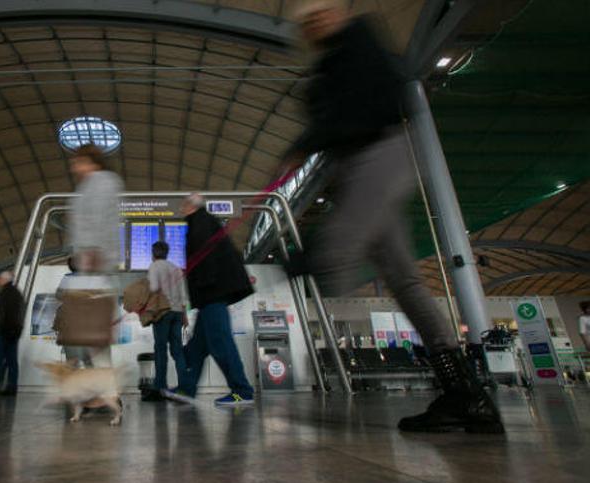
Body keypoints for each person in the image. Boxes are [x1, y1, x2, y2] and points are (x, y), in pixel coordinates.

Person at [282, 0, 503, 433]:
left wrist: (306, 141)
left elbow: (365, 106)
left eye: (324, 12)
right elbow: (334, 121)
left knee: (334, 251)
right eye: (309, 21)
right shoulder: (327, 68)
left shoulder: (359, 42)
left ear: (340, 12)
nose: (320, 22)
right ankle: (465, 395)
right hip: (356, 169)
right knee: (404, 282)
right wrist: (310, 139)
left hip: (377, 159)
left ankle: (314, 259)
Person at [166, 193, 255, 407]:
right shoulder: (203, 221)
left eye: (183, 206)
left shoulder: (201, 221)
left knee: (221, 343)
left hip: (212, 293)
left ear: (190, 206)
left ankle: (242, 391)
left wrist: (204, 287)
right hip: (209, 294)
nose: (181, 210)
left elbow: (204, 255)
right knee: (197, 347)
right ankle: (187, 390)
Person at [65, 144, 124, 367]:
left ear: (91, 161)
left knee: (93, 334)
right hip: (91, 269)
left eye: (77, 162)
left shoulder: (101, 183)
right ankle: (102, 390)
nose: (74, 168)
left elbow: (99, 221)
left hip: (95, 269)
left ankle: (104, 391)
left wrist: (92, 254)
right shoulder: (92, 185)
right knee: (93, 336)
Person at [145, 241, 189, 401]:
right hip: (177, 313)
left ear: (153, 253)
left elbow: (153, 288)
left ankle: (160, 388)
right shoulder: (176, 269)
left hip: (162, 313)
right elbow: (183, 295)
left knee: (160, 350)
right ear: (167, 253)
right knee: (178, 351)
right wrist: (185, 315)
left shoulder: (155, 266)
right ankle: (184, 387)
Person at [0, 271, 25, 395]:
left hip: (3, 331)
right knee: (12, 361)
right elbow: (19, 315)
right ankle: (12, 387)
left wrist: (0, 328)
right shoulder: (17, 293)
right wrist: (17, 331)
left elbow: (4, 315)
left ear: (4, 280)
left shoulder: (5, 293)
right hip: (14, 332)